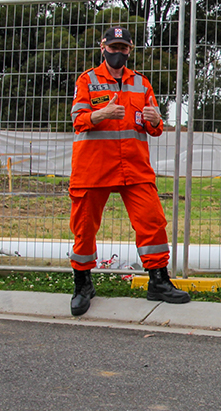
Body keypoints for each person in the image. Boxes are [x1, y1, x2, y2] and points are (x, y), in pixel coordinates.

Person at [68, 26, 190, 316]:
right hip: (93, 167)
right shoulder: (88, 80)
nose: (118, 52)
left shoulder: (141, 83)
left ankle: (158, 281)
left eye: (123, 48)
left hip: (134, 167)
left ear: (130, 50)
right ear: (103, 48)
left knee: (152, 222)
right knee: (84, 226)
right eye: (114, 47)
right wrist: (102, 114)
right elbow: (78, 119)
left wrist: (155, 120)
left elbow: (155, 128)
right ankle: (82, 285)